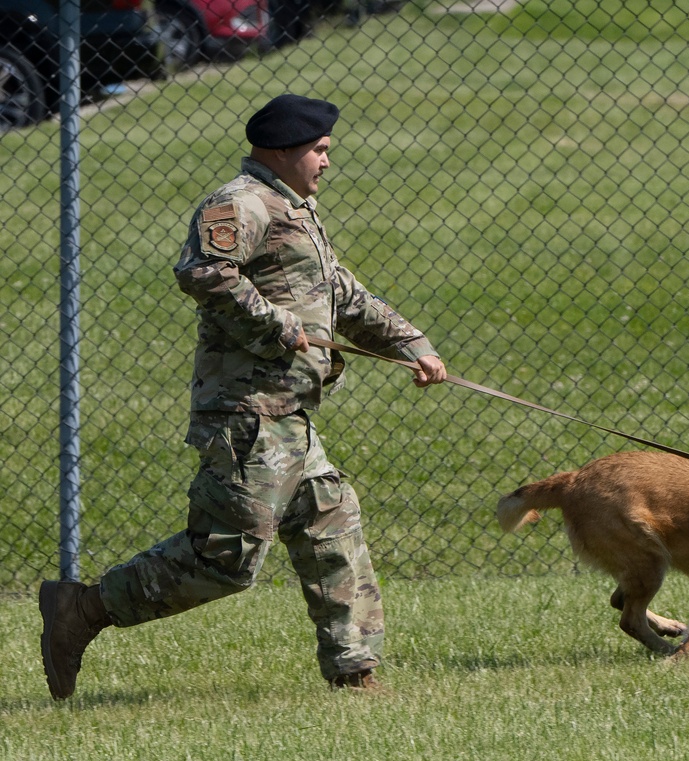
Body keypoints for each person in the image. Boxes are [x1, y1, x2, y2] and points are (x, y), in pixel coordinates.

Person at [38, 94, 447, 698]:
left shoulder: (293, 206)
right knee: (223, 561)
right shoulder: (240, 203)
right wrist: (280, 327)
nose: (327, 162)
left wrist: (412, 345)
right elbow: (204, 273)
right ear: (283, 150)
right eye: (320, 150)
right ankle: (83, 610)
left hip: (290, 415)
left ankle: (355, 675)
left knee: (332, 528)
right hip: (248, 414)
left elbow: (340, 293)